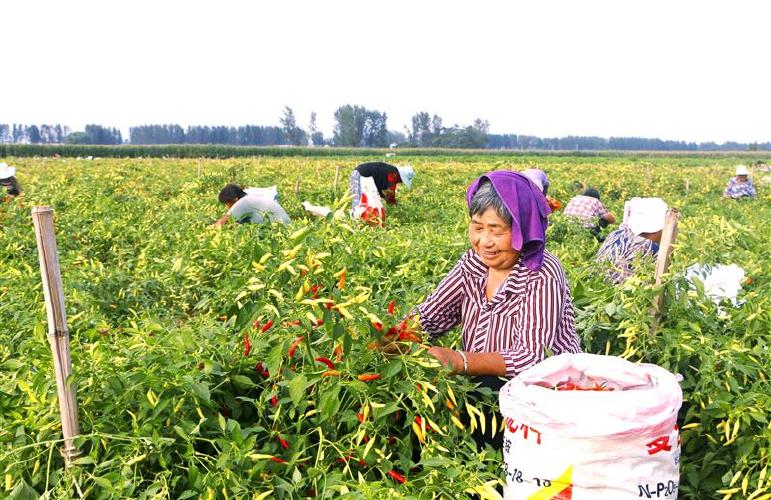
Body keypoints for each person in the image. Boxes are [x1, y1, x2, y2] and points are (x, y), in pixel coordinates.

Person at [411, 171, 580, 447]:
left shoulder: (541, 272)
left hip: (541, 395)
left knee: (485, 400)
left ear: (522, 229)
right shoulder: (474, 263)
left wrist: (460, 361)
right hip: (481, 386)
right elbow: (431, 315)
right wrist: (394, 335)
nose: (485, 242)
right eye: (477, 228)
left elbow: (532, 358)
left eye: (497, 230)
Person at [595, 197, 668, 284]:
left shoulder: (616, 233)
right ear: (657, 229)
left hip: (595, 284)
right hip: (619, 292)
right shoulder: (651, 249)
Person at [210, 184, 291, 227]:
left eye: (227, 204)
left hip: (280, 230)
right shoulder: (250, 198)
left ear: (235, 199)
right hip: (286, 228)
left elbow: (221, 224)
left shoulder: (243, 202)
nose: (227, 207)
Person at [349, 161, 414, 208]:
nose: (400, 182)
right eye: (402, 180)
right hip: (360, 174)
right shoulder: (393, 174)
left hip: (364, 175)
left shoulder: (392, 171)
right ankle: (355, 221)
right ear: (401, 176)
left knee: (367, 201)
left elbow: (380, 187)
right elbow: (390, 194)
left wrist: (383, 196)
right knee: (358, 200)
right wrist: (394, 205)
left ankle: (362, 220)